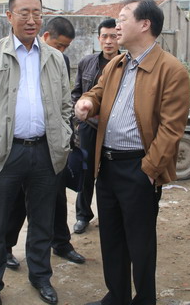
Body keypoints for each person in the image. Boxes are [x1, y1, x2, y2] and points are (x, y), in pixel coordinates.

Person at [75, 0, 190, 305]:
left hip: (138, 168)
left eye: (123, 19)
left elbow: (171, 129)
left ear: (145, 24)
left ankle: (145, 299)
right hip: (107, 165)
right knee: (111, 238)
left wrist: (148, 171)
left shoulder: (171, 70)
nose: (117, 26)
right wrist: (87, 102)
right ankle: (117, 296)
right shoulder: (117, 64)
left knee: (140, 244)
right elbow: (98, 92)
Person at [0, 0, 72, 305]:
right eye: (24, 12)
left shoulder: (54, 58)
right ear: (9, 16)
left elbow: (65, 105)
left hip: (45, 151)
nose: (31, 19)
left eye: (37, 13)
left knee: (42, 222)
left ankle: (40, 277)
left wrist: (63, 138)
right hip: (5, 153)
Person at [5, 16, 85, 270]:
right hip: (20, 144)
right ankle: (6, 247)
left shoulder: (60, 60)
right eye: (59, 45)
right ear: (46, 36)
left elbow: (64, 101)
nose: (62, 51)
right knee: (18, 201)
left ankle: (60, 243)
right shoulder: (17, 56)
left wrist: (65, 136)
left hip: (52, 145)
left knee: (57, 198)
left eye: (66, 47)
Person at [71, 18, 120, 234]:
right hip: (89, 127)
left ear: (120, 38)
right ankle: (83, 215)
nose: (109, 41)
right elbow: (76, 93)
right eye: (104, 36)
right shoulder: (87, 62)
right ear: (98, 38)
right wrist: (78, 118)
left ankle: (110, 216)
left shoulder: (127, 63)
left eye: (113, 36)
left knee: (111, 174)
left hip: (115, 128)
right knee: (86, 172)